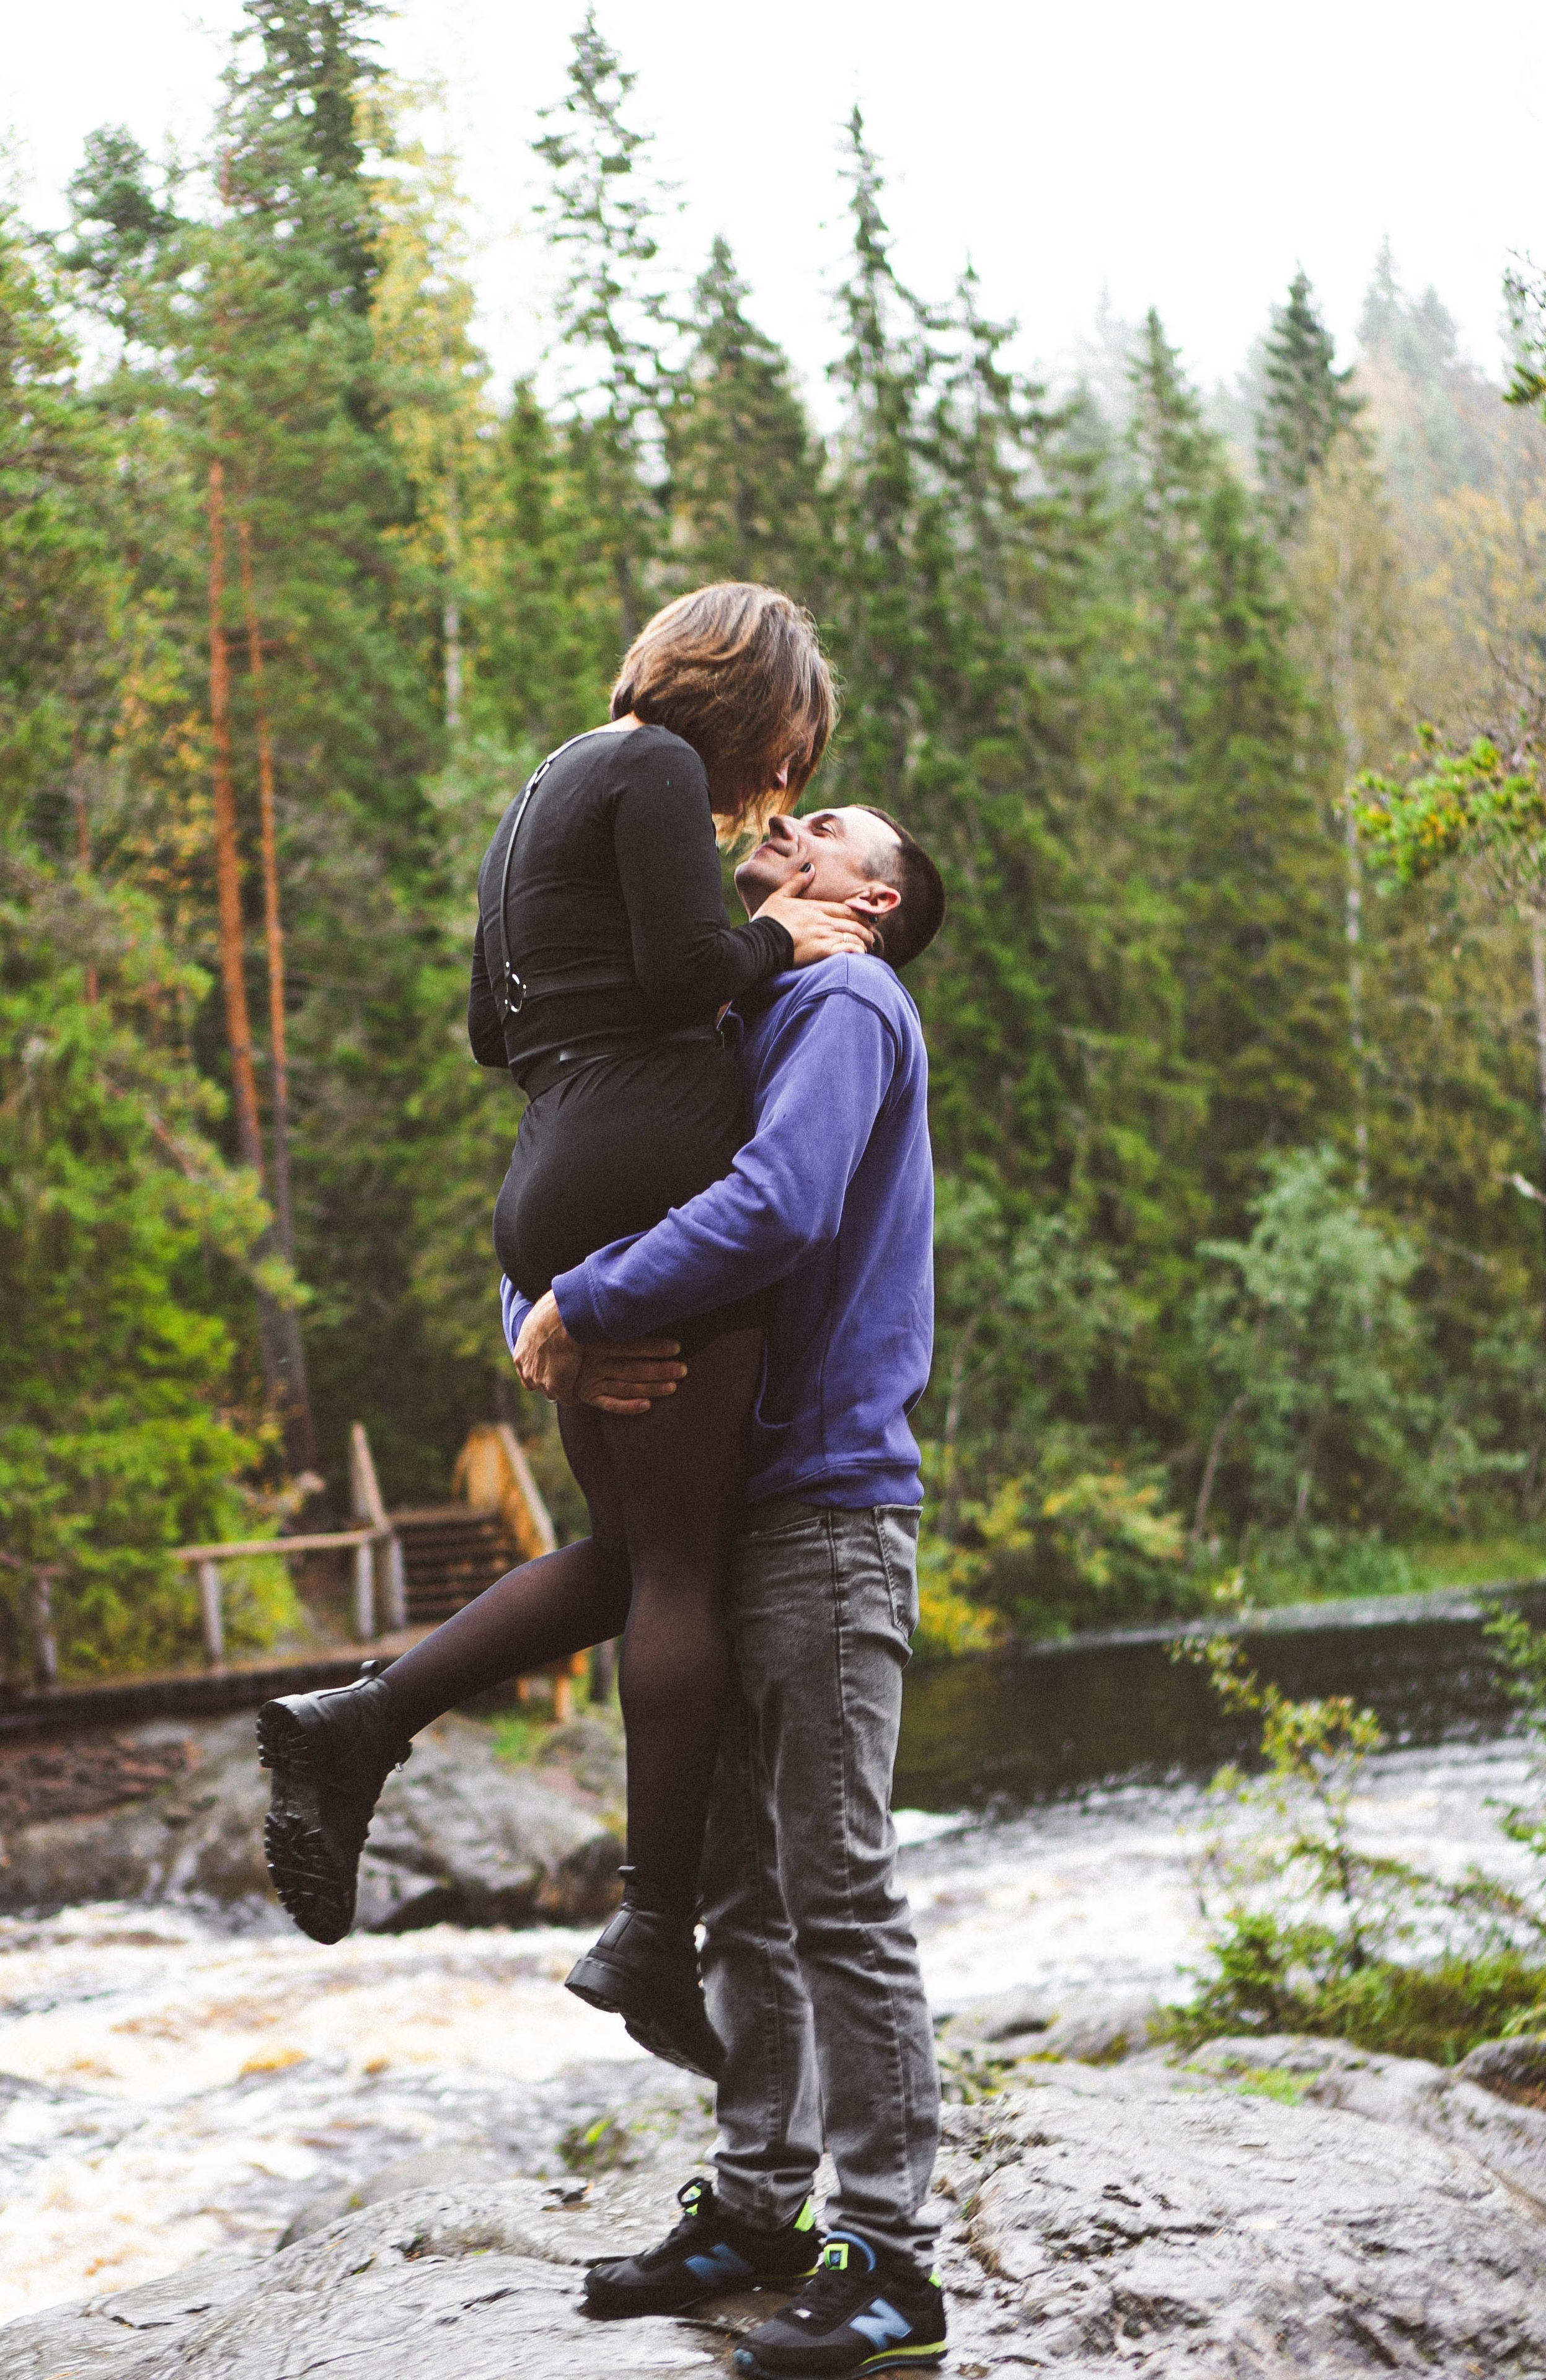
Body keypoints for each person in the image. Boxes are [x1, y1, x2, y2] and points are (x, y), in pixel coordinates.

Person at [256, 585, 872, 2078]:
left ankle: (365, 1725)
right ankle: (655, 1927)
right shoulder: (656, 766)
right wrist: (778, 935)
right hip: (647, 1162)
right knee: (674, 1566)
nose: (777, 793)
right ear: (742, 697)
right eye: (786, 754)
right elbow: (677, 978)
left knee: (620, 1553)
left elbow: (490, 1031)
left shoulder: (542, 788)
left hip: (546, 1177)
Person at [513, 800, 951, 2380]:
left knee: (831, 1882)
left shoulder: (842, 999)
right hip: (732, 1511)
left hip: (827, 1506)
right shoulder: (732, 1008)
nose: (787, 821)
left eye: (827, 826)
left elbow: (780, 1206)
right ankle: (762, 2210)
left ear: (872, 895)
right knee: (746, 1894)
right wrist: (542, 1300)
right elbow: (582, 1175)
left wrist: (578, 1302)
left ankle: (895, 2265)